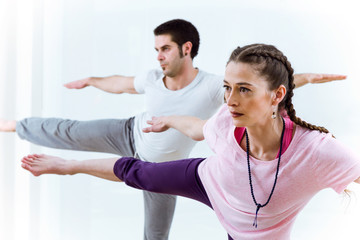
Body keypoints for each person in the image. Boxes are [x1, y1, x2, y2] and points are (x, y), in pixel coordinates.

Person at [0, 19, 347, 239]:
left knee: (155, 232)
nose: (159, 57)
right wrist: (92, 80)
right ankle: (20, 128)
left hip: (191, 179)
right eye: (156, 50)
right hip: (140, 139)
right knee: (78, 135)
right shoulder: (173, 89)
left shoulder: (215, 87)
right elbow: (189, 121)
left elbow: (266, 84)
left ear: (186, 49)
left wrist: (305, 78)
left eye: (164, 48)